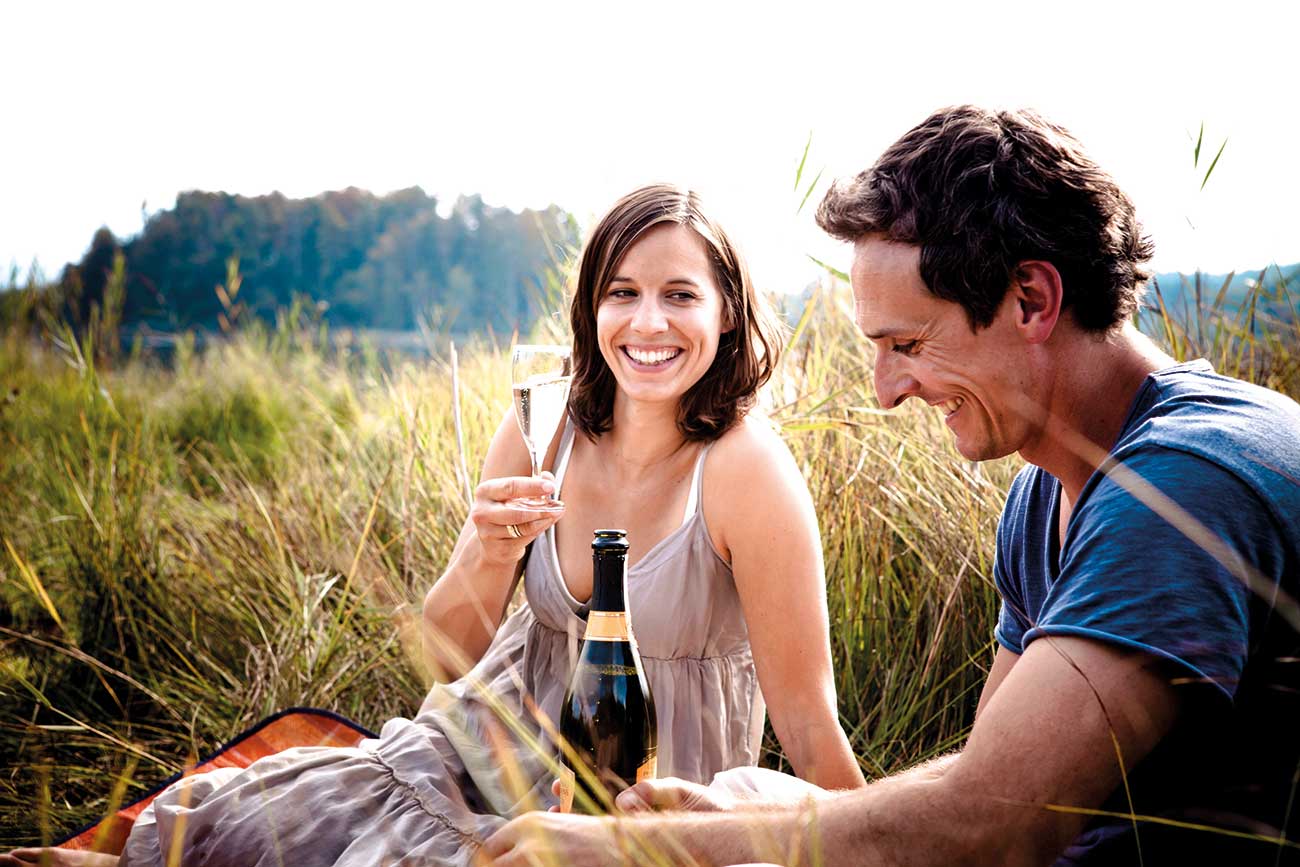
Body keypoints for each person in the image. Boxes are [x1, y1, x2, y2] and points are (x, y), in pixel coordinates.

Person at [482, 107, 1300, 866]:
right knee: (737, 796)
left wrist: (660, 848)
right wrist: (729, 820)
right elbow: (989, 776)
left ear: (1032, 298)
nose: (885, 388)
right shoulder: (1043, 497)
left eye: (908, 341)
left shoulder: (1187, 482)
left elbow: (994, 820)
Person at [2, 184, 864, 867]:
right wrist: (489, 552)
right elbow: (444, 657)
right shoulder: (545, 425)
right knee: (283, 816)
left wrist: (882, 848)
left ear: (725, 311)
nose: (647, 322)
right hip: (489, 745)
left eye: (681, 294)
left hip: (642, 787)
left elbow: (806, 718)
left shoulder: (746, 469)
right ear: (590, 310)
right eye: (623, 293)